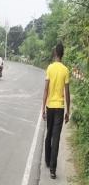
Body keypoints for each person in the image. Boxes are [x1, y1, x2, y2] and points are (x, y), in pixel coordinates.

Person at [42, 43, 70, 179]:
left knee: (49, 134)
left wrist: (43, 108)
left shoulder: (50, 68)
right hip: (60, 107)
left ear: (55, 53)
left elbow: (46, 89)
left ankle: (47, 160)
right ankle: (53, 169)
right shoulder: (65, 70)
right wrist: (68, 111)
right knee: (56, 137)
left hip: (50, 106)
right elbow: (67, 92)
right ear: (62, 54)